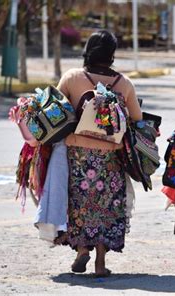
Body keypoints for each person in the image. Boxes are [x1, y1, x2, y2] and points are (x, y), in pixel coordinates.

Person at [56, 30, 142, 277]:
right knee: (106, 206)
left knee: (80, 203)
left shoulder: (72, 77)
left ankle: (82, 249)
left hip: (78, 154)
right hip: (110, 157)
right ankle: (101, 262)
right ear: (112, 55)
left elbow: (55, 110)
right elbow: (136, 119)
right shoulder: (123, 84)